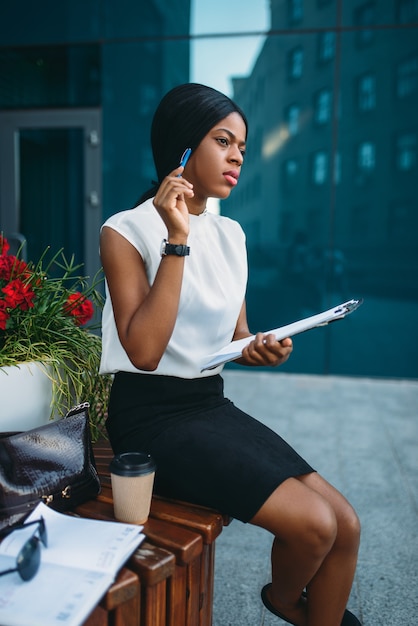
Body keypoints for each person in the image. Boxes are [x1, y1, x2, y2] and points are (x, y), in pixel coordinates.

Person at [99, 83, 361, 626]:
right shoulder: (125, 231)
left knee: (345, 526)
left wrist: (260, 348)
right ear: (182, 149)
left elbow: (235, 336)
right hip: (149, 418)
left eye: (242, 144)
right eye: (224, 140)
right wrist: (176, 239)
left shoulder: (232, 234)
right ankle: (286, 602)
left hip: (209, 405)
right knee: (314, 524)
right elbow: (145, 352)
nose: (239, 155)